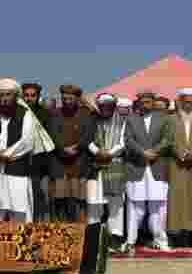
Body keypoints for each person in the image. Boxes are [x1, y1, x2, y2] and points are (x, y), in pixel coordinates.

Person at [124, 90, 173, 252]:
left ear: (153, 103)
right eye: (143, 102)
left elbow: (168, 139)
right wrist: (142, 152)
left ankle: (160, 240)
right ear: (138, 103)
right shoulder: (131, 119)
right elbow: (128, 140)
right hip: (137, 167)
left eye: (149, 102)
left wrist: (154, 151)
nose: (146, 105)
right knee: (135, 206)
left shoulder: (164, 119)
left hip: (157, 167)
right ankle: (131, 241)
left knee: (157, 206)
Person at [0, 79, 36, 222]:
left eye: (8, 95)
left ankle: (22, 242)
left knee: (20, 209)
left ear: (15, 96)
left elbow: (27, 140)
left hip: (17, 168)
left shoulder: (25, 114)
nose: (5, 98)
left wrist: (7, 154)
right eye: (2, 95)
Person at [47, 84, 95, 223]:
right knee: (59, 202)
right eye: (64, 98)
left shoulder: (86, 113)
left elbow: (89, 135)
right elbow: (51, 135)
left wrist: (77, 147)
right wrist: (63, 149)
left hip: (79, 164)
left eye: (70, 98)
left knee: (78, 202)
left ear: (77, 99)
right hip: (59, 164)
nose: (67, 101)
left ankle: (79, 237)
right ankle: (59, 237)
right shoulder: (54, 113)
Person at [168, 88, 192, 248]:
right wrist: (179, 153)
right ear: (180, 102)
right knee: (177, 198)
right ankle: (177, 235)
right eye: (185, 101)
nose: (188, 105)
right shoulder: (170, 118)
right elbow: (167, 139)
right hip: (177, 164)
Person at [90, 94, 128, 247]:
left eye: (109, 105)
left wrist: (109, 153)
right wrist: (97, 152)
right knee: (95, 201)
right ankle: (94, 235)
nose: (106, 108)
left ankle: (116, 236)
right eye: (103, 105)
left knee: (116, 202)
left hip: (115, 163)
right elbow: (87, 139)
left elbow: (123, 141)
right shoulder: (92, 120)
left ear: (114, 106)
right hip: (96, 163)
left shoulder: (122, 121)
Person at [21, 83, 51, 222]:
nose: (29, 98)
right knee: (25, 197)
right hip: (22, 163)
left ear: (38, 97)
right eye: (26, 95)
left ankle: (43, 227)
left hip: (42, 163)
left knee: (42, 196)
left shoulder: (44, 113)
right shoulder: (18, 112)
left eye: (32, 95)